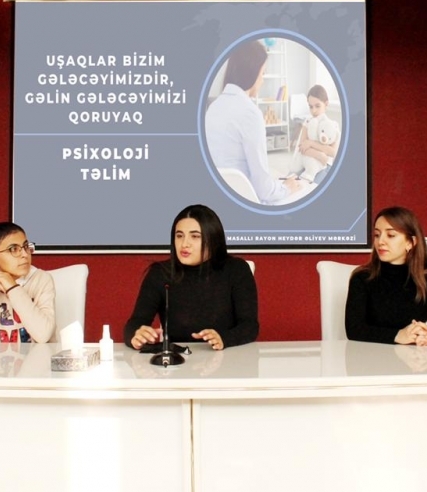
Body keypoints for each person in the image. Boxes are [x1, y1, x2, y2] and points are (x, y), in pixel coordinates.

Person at [123, 204, 258, 351]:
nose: (184, 244)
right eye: (179, 236)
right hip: (178, 359)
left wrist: (224, 339)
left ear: (213, 239)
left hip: (227, 356)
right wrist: (136, 335)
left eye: (195, 236)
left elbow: (249, 326)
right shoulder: (161, 273)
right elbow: (136, 322)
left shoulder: (236, 270)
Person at [345, 207, 427, 345]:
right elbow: (354, 330)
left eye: (390, 235)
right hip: (370, 355)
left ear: (410, 242)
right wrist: (398, 335)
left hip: (414, 356)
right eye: (377, 235)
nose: (380, 241)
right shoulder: (362, 277)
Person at [205, 40, 302, 204]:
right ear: (252, 72)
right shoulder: (250, 113)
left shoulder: (213, 108)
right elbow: (264, 191)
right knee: (301, 188)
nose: (262, 80)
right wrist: (286, 188)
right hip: (245, 198)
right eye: (262, 73)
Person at [291, 85, 341, 183]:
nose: (313, 111)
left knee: (312, 185)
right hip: (306, 162)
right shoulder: (307, 122)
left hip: (324, 166)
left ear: (326, 104)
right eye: (311, 107)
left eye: (317, 106)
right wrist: (319, 155)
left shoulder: (332, 125)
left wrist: (310, 143)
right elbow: (302, 148)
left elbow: (332, 152)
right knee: (294, 182)